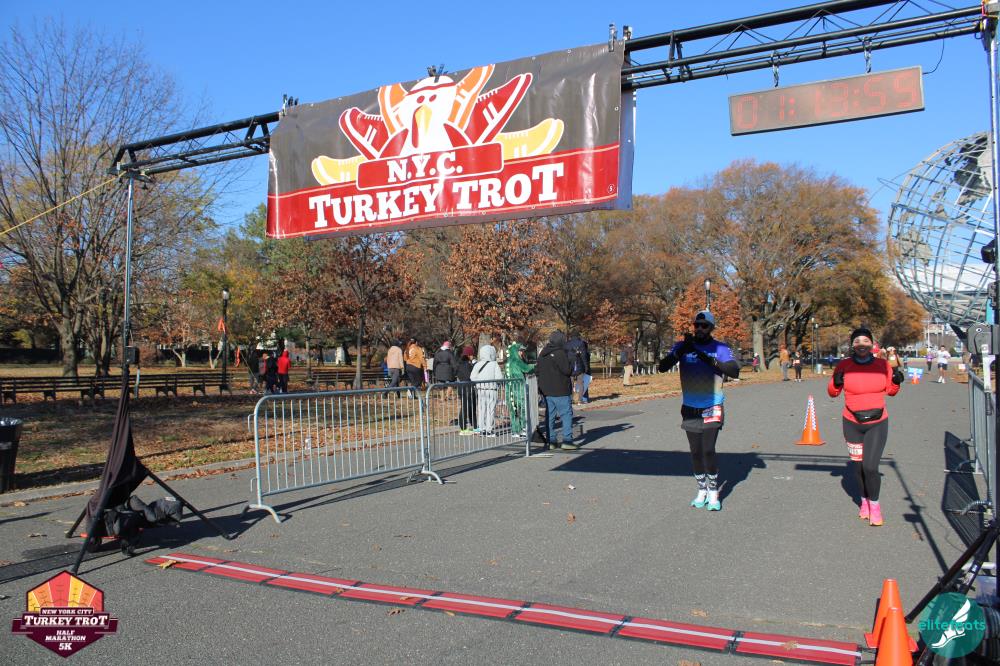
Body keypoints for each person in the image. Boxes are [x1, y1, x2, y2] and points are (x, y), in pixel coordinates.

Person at [657, 311, 740, 511]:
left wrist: (707, 358)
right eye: (697, 325)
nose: (700, 329)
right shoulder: (682, 346)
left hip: (713, 405)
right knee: (695, 452)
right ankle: (702, 489)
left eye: (704, 325)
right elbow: (662, 367)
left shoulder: (720, 348)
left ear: (711, 328)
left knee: (708, 450)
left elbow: (734, 371)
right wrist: (680, 351)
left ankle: (713, 491)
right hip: (690, 407)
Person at [828, 327, 903, 526]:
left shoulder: (882, 365)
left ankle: (875, 506)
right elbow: (833, 393)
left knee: (870, 467)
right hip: (851, 423)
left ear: (872, 344)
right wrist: (836, 382)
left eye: (865, 341)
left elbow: (891, 391)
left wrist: (896, 382)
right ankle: (864, 502)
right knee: (858, 468)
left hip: (877, 423)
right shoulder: (844, 365)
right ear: (852, 345)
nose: (861, 344)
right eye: (857, 341)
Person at [537, 331, 577, 449]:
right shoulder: (560, 353)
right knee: (566, 414)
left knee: (550, 416)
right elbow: (567, 370)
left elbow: (537, 370)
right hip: (561, 389)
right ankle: (567, 441)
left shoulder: (543, 353)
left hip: (546, 390)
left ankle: (551, 441)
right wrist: (572, 359)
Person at [470, 344, 503, 437]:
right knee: (490, 410)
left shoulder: (478, 364)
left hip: (480, 389)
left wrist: (479, 382)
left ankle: (481, 429)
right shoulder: (494, 364)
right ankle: (489, 430)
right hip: (492, 389)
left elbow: (472, 377)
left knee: (481, 409)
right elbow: (499, 377)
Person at [505, 341, 536, 437]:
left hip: (509, 389)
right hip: (518, 389)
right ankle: (523, 428)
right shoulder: (517, 361)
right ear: (515, 351)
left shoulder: (508, 362)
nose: (522, 353)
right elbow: (527, 369)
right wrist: (535, 366)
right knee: (522, 408)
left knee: (513, 409)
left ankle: (515, 430)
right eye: (520, 351)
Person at [456, 345, 477, 434]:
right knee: (466, 408)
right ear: (468, 355)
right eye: (472, 355)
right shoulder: (465, 364)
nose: (473, 356)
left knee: (471, 407)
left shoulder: (463, 363)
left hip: (466, 388)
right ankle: (463, 428)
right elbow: (469, 376)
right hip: (466, 388)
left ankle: (474, 426)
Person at [566, 332, 590, 403]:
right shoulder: (581, 343)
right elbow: (584, 356)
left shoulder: (567, 344)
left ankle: (571, 399)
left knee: (570, 383)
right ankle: (580, 399)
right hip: (580, 366)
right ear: (578, 336)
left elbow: (565, 356)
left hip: (570, 366)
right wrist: (586, 367)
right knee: (581, 383)